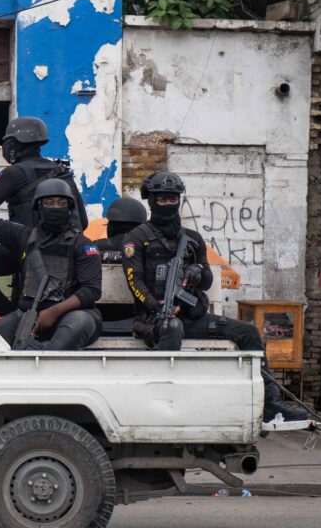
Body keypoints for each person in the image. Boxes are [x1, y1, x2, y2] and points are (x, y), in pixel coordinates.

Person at [122, 171, 308, 422]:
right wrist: (156, 305)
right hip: (153, 320)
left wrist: (196, 270)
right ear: (151, 201)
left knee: (249, 333)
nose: (168, 204)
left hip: (192, 319)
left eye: (172, 199)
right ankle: (167, 404)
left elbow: (209, 280)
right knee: (172, 327)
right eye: (162, 199)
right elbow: (134, 280)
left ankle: (271, 403)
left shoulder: (192, 239)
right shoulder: (137, 238)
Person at [0, 178, 102, 350]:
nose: (55, 207)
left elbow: (91, 290)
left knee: (78, 323)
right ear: (38, 207)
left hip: (71, 315)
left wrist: (53, 312)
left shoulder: (83, 245)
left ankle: (46, 364)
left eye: (61, 203)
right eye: (49, 202)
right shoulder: (24, 236)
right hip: (28, 315)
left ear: (69, 209)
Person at [0, 117, 89, 316]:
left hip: (28, 248)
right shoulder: (63, 173)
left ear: (14, 144)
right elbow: (84, 222)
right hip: (68, 253)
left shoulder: (14, 173)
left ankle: (12, 316)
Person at [94, 197, 148, 334]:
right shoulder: (148, 252)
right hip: (140, 320)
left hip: (97, 319)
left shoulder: (92, 248)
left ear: (111, 226)